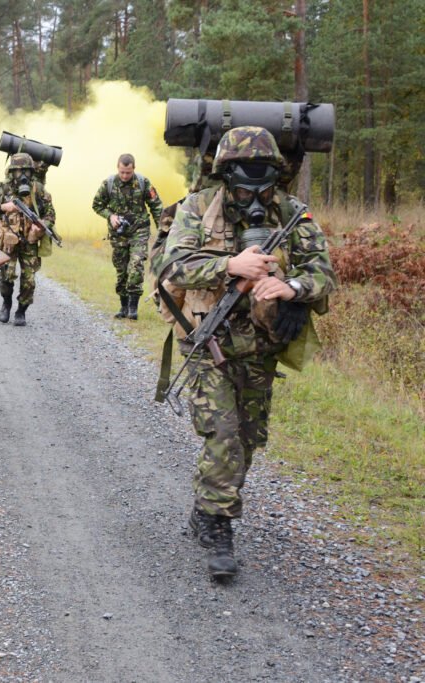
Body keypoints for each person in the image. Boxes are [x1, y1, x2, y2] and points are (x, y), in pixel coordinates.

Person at [157, 126, 336, 578]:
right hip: (207, 341)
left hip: (261, 346)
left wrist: (291, 286)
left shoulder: (294, 215)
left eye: (264, 185)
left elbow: (324, 275)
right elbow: (170, 266)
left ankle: (205, 507)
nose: (254, 197)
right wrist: (230, 265)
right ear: (224, 178)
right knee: (224, 434)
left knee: (249, 440)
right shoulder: (197, 208)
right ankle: (218, 526)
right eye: (242, 186)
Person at [92, 153, 164, 320]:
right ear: (118, 168)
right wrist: (110, 216)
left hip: (139, 230)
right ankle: (123, 306)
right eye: (122, 172)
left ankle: (133, 307)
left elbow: (156, 207)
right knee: (122, 271)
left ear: (134, 169)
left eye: (128, 172)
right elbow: (96, 205)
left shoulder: (143, 183)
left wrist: (163, 229)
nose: (125, 176)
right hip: (119, 234)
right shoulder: (108, 184)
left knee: (136, 264)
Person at [0, 153, 56, 326]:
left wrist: (41, 227)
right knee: (6, 278)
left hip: (29, 242)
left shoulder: (38, 190)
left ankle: (21, 310)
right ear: (11, 172)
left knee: (29, 281)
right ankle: (6, 303)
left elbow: (51, 214)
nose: (22, 176)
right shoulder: (3, 189)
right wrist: (2, 207)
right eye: (18, 171)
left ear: (32, 172)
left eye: (26, 172)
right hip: (8, 242)